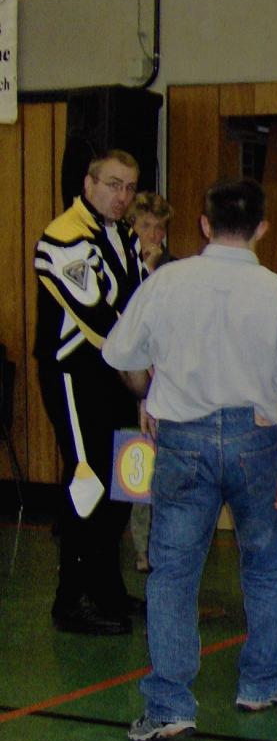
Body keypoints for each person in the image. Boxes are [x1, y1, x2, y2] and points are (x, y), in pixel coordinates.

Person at [104, 178, 277, 741]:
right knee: (265, 565)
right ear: (262, 228)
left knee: (173, 573)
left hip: (182, 440)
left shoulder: (165, 283)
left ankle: (169, 706)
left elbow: (124, 356)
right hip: (258, 441)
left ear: (204, 224)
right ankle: (262, 683)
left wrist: (147, 396)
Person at [34, 149, 145, 634]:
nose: (122, 196)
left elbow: (143, 299)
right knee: (88, 479)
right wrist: (144, 358)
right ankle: (71, 600)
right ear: (89, 184)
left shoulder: (125, 236)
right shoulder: (63, 237)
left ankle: (106, 590)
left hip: (118, 372)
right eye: (113, 184)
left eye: (129, 187)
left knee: (122, 481)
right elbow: (97, 316)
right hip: (75, 372)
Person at [125, 190, 176, 573]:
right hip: (130, 380)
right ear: (132, 227)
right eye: (146, 226)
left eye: (160, 227)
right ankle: (141, 548)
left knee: (167, 469)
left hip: (166, 380)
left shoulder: (175, 270)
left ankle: (165, 545)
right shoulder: (121, 265)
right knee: (137, 466)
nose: (155, 234)